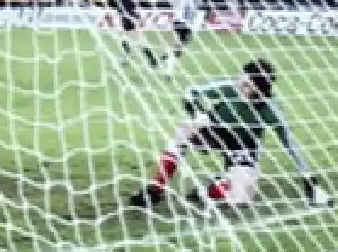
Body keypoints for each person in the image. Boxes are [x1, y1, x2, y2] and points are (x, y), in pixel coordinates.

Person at [129, 58, 327, 209]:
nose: (240, 84)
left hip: (244, 143)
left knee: (241, 199)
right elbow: (191, 92)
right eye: (241, 79)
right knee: (185, 128)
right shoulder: (228, 88)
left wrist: (309, 179)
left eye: (246, 84)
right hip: (217, 130)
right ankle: (155, 189)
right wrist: (197, 114)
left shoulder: (271, 110)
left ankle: (208, 190)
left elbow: (290, 143)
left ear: (259, 89)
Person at [155, 0, 218, 73]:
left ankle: (166, 57)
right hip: (178, 23)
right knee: (175, 45)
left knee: (179, 48)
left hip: (188, 26)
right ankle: (168, 71)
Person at [110, 0, 158, 68]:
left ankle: (150, 59)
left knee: (134, 39)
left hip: (129, 19)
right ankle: (131, 57)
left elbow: (128, 9)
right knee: (124, 38)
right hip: (129, 19)